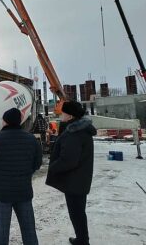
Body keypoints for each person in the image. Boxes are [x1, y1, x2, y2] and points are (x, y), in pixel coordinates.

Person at [0, 108, 42, 245]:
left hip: (1, 191)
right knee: (28, 227)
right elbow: (37, 163)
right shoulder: (31, 139)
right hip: (23, 190)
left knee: (2, 226)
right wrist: (26, 172)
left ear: (5, 121)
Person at [46, 100, 96, 245]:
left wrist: (53, 167)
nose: (61, 115)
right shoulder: (80, 130)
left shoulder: (74, 133)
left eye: (63, 112)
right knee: (78, 211)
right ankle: (82, 238)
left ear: (70, 115)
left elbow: (68, 160)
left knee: (76, 213)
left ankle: (82, 240)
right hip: (80, 178)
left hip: (75, 180)